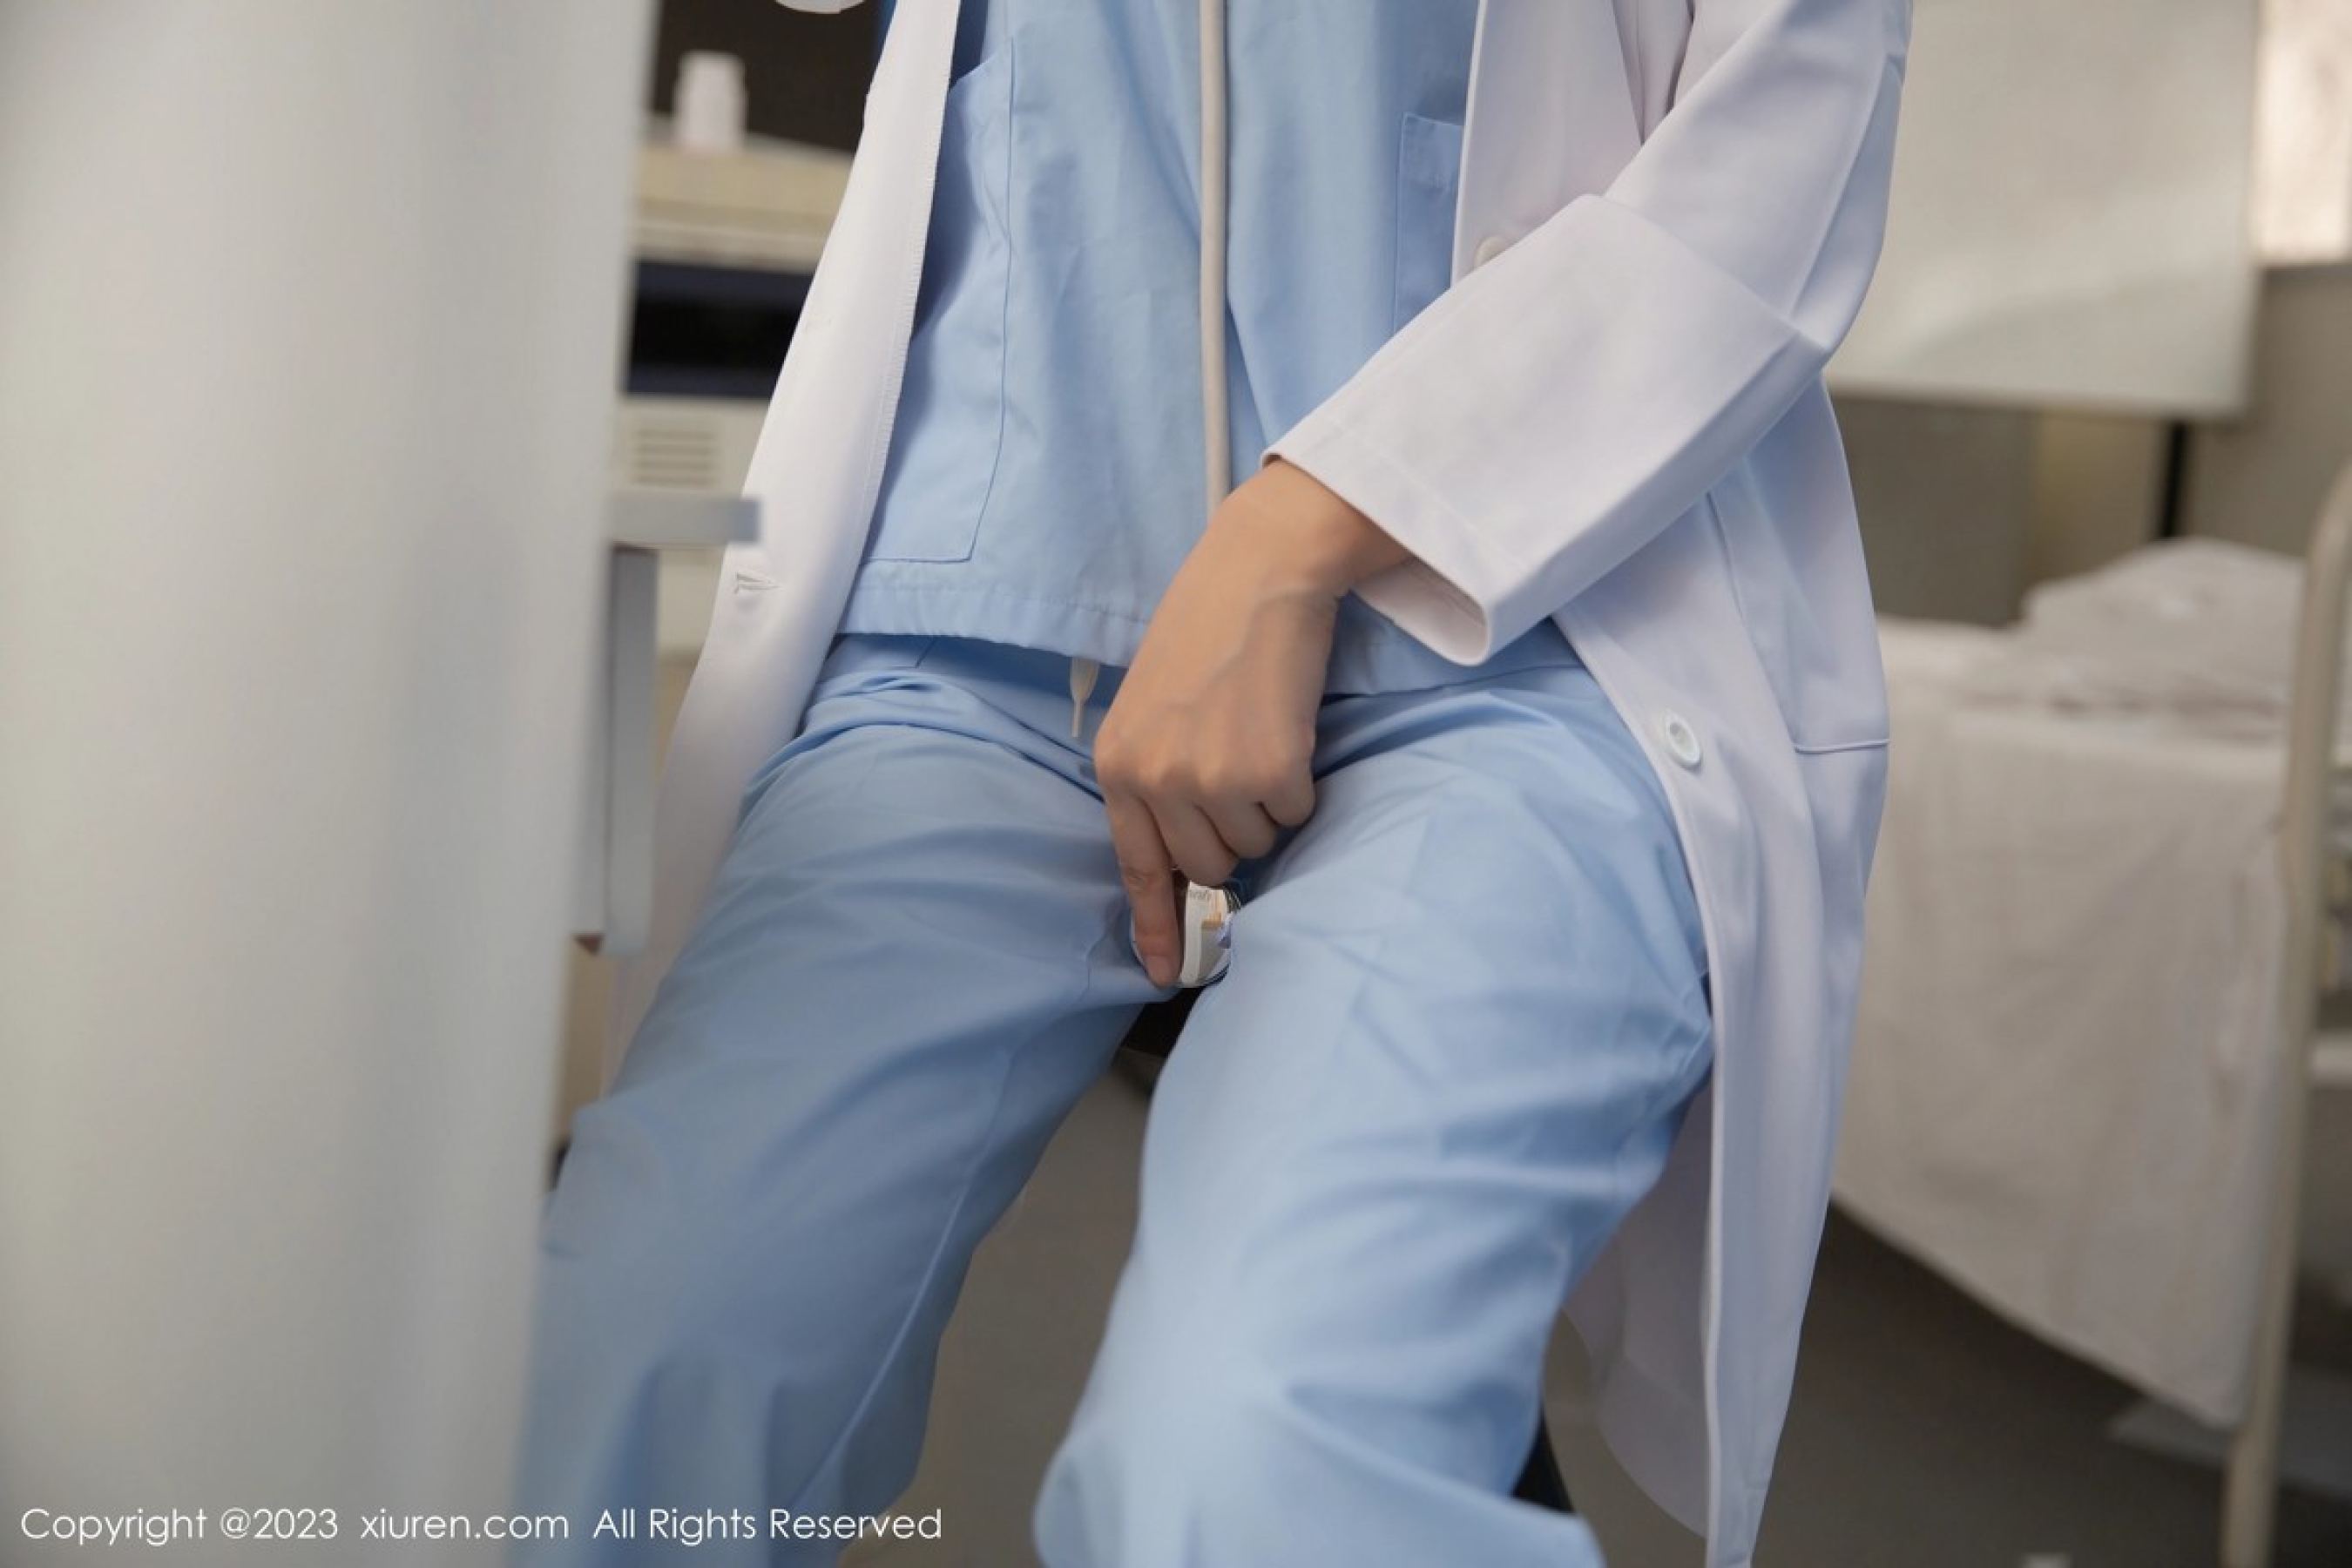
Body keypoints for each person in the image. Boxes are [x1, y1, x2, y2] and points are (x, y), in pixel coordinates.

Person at [517, 0, 1909, 1564]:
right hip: (990, 610)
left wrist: (1296, 533)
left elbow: (1778, 135)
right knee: (611, 1376)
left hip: (1509, 642)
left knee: (1254, 1462)